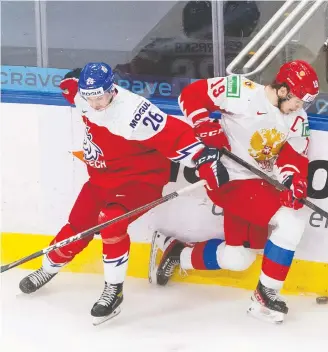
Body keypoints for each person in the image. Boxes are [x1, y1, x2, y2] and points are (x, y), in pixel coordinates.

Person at [18, 62, 229, 326]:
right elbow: (71, 86)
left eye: (100, 97)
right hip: (102, 178)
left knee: (112, 219)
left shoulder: (133, 113)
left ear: (112, 91)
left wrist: (203, 159)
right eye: (89, 97)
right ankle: (47, 269)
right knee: (78, 225)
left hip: (139, 181)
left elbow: (173, 133)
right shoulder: (80, 94)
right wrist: (71, 79)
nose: (95, 104)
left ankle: (113, 291)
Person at [151, 60, 319, 324]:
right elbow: (191, 95)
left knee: (238, 258)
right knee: (292, 222)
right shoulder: (242, 91)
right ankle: (265, 297)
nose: (301, 107)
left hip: (261, 184)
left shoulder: (298, 118)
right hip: (228, 180)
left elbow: (293, 156)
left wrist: (293, 181)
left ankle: (175, 253)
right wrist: (203, 123)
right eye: (299, 99)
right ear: (284, 90)